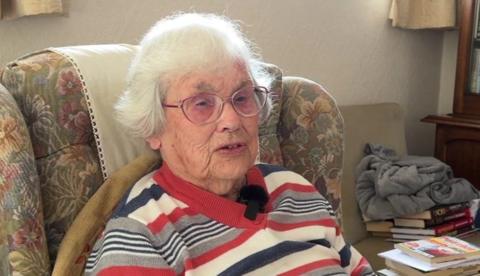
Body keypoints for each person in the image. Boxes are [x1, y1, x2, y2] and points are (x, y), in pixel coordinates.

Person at [84, 13, 373, 275]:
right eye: (201, 104)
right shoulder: (140, 242)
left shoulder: (293, 188)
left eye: (242, 97)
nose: (232, 121)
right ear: (153, 125)